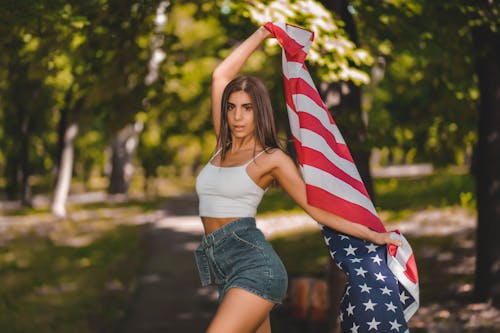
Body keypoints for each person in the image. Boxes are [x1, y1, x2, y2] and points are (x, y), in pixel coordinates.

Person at [194, 25, 401, 333]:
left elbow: (314, 207)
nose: (237, 117)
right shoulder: (220, 147)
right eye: (231, 108)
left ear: (259, 112)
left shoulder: (270, 159)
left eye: (247, 109)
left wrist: (372, 235)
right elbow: (220, 77)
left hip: (256, 268)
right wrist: (263, 33)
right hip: (225, 268)